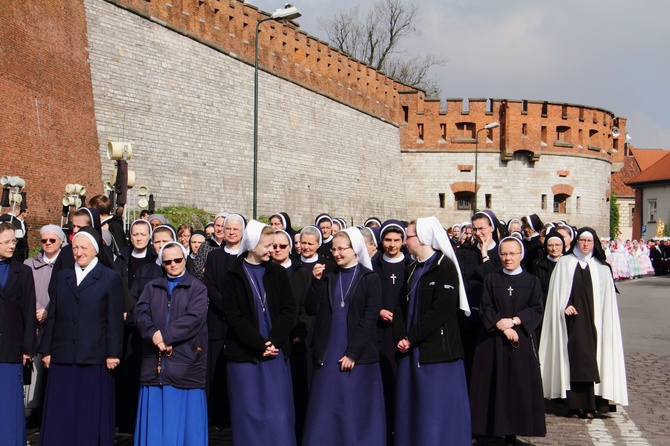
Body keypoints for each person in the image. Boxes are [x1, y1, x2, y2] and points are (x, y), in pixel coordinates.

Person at [39, 226, 125, 445]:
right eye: (75, 247)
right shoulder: (62, 276)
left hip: (94, 355)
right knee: (62, 408)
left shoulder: (109, 278)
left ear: (95, 250)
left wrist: (113, 352)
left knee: (88, 409)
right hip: (63, 354)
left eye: (83, 247)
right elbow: (54, 313)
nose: (78, 252)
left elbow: (114, 319)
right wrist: (47, 349)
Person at [303, 227, 385, 446]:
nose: (336, 253)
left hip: (356, 352)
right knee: (326, 404)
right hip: (329, 351)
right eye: (334, 249)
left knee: (353, 406)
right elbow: (311, 309)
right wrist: (316, 282)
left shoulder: (370, 278)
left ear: (355, 249)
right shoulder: (329, 276)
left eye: (342, 249)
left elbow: (368, 319)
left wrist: (352, 353)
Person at [393, 217, 471, 445]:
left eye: (409, 236)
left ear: (424, 238)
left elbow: (441, 311)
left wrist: (411, 337)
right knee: (412, 406)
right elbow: (399, 306)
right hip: (410, 348)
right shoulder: (411, 268)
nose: (405, 241)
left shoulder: (444, 267)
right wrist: (399, 336)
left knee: (434, 408)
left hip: (436, 350)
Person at [539, 227, 628, 419]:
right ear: (576, 242)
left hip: (594, 323)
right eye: (582, 241)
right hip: (569, 322)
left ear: (594, 243)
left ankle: (591, 405)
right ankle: (572, 405)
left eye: (589, 241)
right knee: (572, 360)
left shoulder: (602, 268)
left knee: (591, 360)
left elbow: (607, 302)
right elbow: (557, 295)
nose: (585, 245)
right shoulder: (565, 263)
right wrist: (564, 306)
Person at [221, 221, 297, 445]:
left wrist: (274, 340)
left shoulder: (277, 272)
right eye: (267, 245)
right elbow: (234, 317)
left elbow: (288, 309)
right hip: (245, 352)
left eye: (274, 245)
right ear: (253, 245)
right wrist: (259, 344)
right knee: (249, 412)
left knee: (279, 412)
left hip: (274, 348)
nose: (272, 250)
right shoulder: (233, 275)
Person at [469, 236, 546, 445]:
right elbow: (485, 307)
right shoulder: (492, 279)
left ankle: (513, 429)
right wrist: (500, 325)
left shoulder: (531, 281)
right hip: (492, 340)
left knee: (516, 386)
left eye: (512, 254)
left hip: (518, 340)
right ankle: (490, 428)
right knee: (491, 384)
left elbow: (537, 309)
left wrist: (514, 322)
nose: (507, 258)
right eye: (503, 254)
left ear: (521, 255)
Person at [134, 241, 209, 445]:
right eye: (168, 261)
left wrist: (166, 336)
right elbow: (141, 314)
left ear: (184, 259)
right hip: (154, 364)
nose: (173, 264)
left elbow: (194, 318)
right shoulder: (151, 287)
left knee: (185, 426)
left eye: (178, 259)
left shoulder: (198, 288)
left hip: (185, 363)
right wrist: (154, 335)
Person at [23, 225, 66, 428]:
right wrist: (36, 309)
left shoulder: (65, 265)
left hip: (54, 321)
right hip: (33, 319)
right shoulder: (29, 264)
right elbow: (24, 290)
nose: (48, 244)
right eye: (44, 240)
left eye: (52, 240)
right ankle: (31, 409)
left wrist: (48, 311)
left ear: (60, 242)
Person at [372, 219, 410, 444]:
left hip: (404, 330)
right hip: (381, 331)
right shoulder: (374, 264)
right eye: (388, 239)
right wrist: (378, 311)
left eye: (396, 240)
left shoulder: (411, 264)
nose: (392, 244)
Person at [270, 229, 311, 440]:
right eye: (273, 246)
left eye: (282, 246)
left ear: (290, 248)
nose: (277, 250)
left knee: (296, 391)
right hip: (271, 340)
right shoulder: (265, 271)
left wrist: (300, 331)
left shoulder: (301, 272)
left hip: (295, 339)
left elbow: (306, 306)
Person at [0, 222, 37, 445]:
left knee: (9, 404)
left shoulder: (23, 272)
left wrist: (28, 347)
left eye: (14, 241)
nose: (11, 245)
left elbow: (29, 311)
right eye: (6, 242)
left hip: (12, 347)